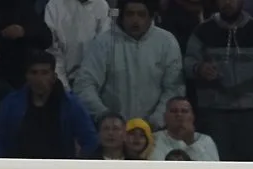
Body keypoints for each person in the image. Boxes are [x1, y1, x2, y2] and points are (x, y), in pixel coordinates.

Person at [184, 0, 253, 161]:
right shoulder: (203, 30)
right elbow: (187, 63)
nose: (228, 3)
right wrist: (199, 68)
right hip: (214, 112)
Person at [74, 0, 184, 130]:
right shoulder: (103, 42)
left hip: (156, 130)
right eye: (130, 14)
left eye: (141, 14)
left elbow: (174, 88)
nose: (135, 20)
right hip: (112, 131)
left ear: (151, 17)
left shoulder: (167, 42)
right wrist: (105, 116)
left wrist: (155, 121)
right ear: (122, 16)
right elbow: (85, 85)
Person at [0, 51, 98, 159]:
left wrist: (76, 167)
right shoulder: (11, 103)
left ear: (54, 77)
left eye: (44, 73)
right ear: (26, 76)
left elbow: (90, 140)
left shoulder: (70, 104)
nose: (39, 79)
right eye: (34, 72)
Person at [44, 0, 111, 88]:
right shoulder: (54, 5)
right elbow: (53, 52)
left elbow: (102, 49)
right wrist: (64, 89)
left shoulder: (101, 5)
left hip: (94, 81)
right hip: (60, 81)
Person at [150, 96, 221, 161]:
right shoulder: (154, 139)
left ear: (193, 117)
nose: (179, 115)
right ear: (164, 117)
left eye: (184, 111)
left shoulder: (206, 140)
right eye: (174, 111)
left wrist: (191, 142)